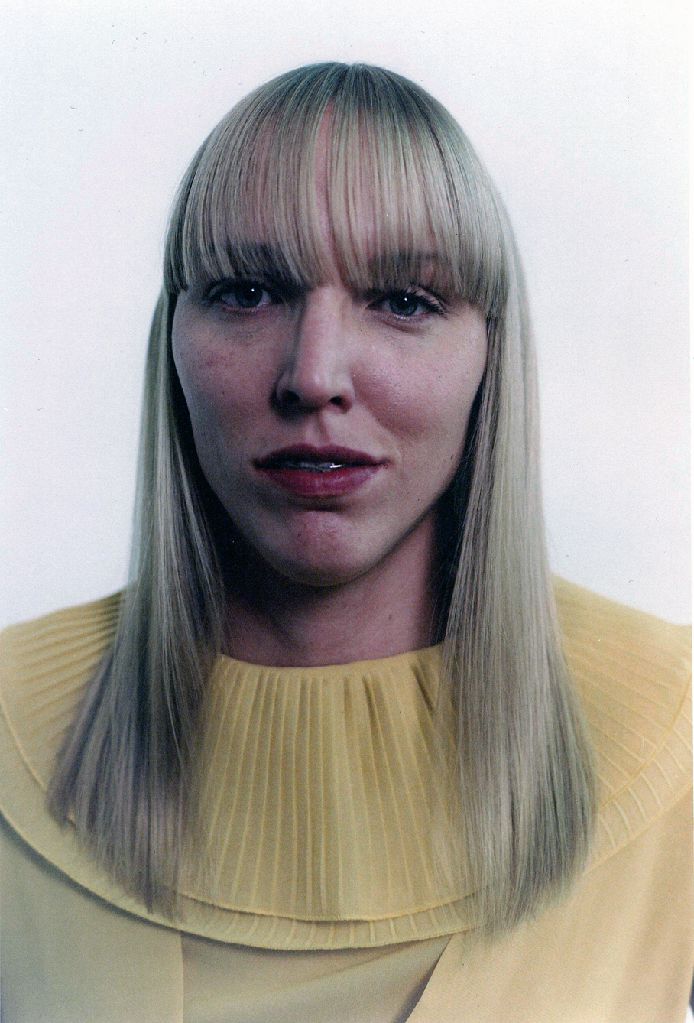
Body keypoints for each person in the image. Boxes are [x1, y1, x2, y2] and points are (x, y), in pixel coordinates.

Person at [0, 62, 690, 1023]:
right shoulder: (9, 737)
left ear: (491, 353)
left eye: (403, 299)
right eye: (247, 291)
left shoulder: (676, 742)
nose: (314, 374)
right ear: (173, 340)